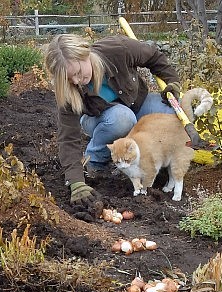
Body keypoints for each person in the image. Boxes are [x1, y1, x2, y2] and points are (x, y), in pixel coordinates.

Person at [43, 33, 182, 209]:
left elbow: (154, 57)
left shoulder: (118, 50)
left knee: (169, 112)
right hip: (102, 120)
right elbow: (68, 137)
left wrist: (172, 81)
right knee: (122, 119)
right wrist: (76, 181)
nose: (77, 81)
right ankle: (95, 161)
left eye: (78, 72)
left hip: (137, 104)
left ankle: (156, 163)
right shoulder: (68, 91)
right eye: (70, 79)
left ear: (84, 53)